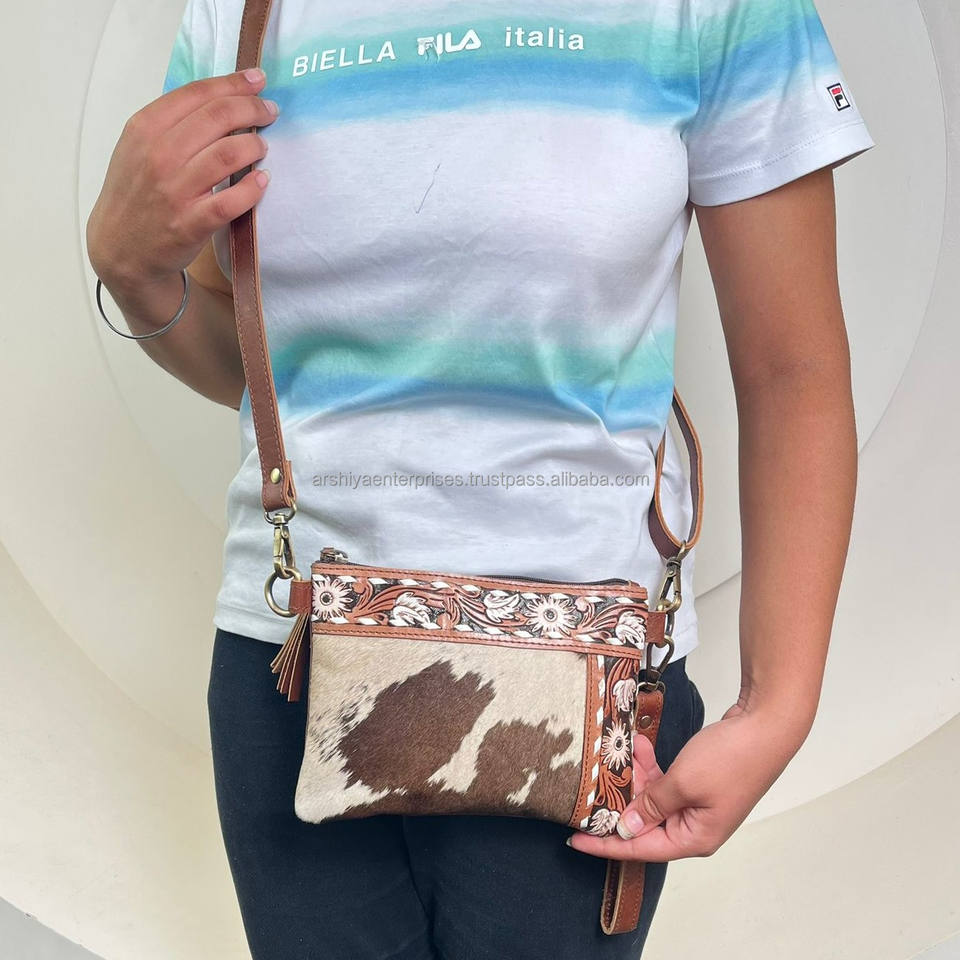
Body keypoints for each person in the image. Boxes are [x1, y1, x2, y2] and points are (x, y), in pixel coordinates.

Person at [85, 0, 875, 955]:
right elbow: (254, 369)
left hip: (581, 677)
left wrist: (778, 705)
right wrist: (132, 271)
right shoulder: (244, 14)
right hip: (292, 662)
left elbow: (794, 373)